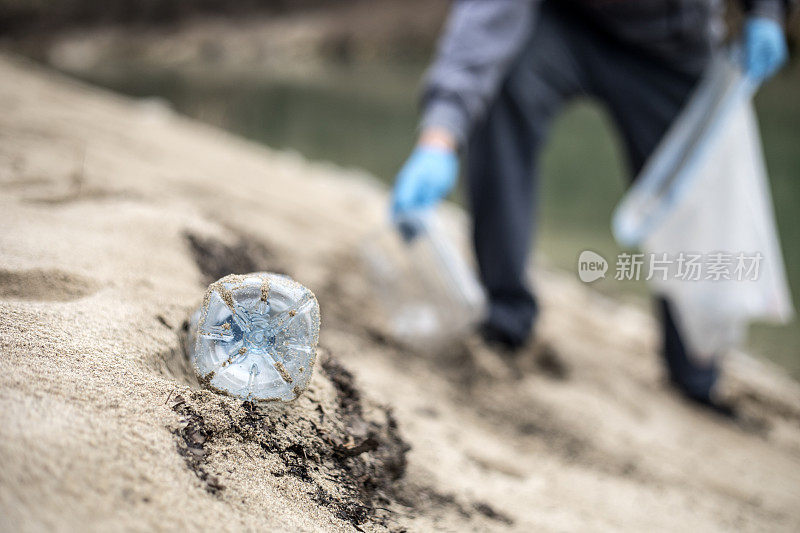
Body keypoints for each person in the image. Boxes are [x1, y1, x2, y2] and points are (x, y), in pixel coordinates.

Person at [390, 0, 790, 411]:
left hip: (672, 47)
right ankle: (505, 318)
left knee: (698, 188)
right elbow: (487, 15)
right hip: (564, 22)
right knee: (503, 82)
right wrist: (439, 139)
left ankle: (696, 367)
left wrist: (768, 12)